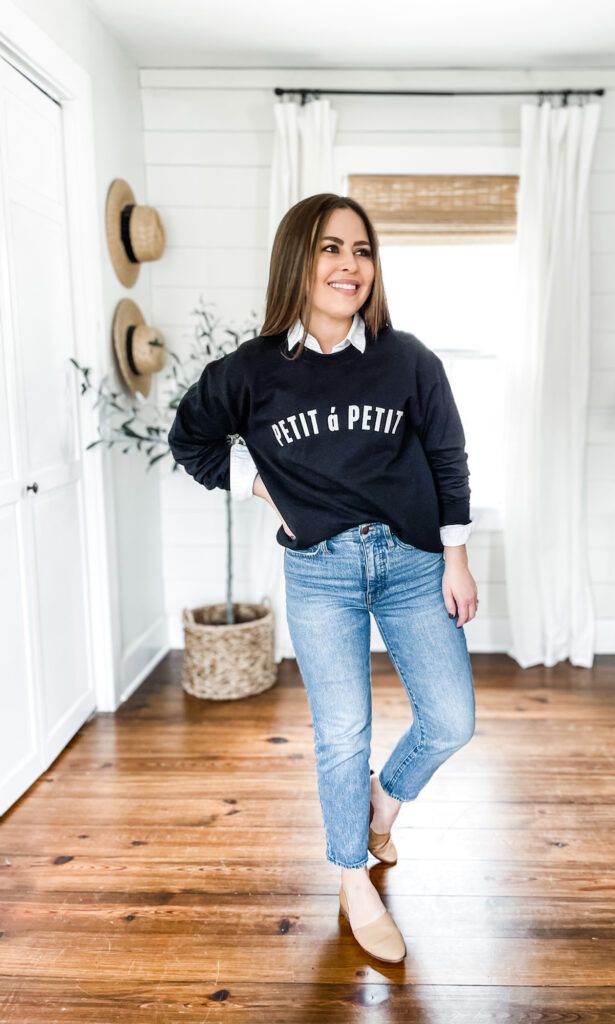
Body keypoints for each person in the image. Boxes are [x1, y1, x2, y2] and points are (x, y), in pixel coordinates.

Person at [168, 193, 478, 963]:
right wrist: (263, 487)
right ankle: (351, 876)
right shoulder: (252, 369)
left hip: (412, 561)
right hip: (321, 571)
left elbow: (447, 458)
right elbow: (191, 440)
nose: (350, 265)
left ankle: (382, 804)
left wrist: (458, 556)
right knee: (342, 733)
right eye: (331, 249)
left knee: (451, 720)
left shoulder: (408, 359)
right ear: (297, 262)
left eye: (362, 250)